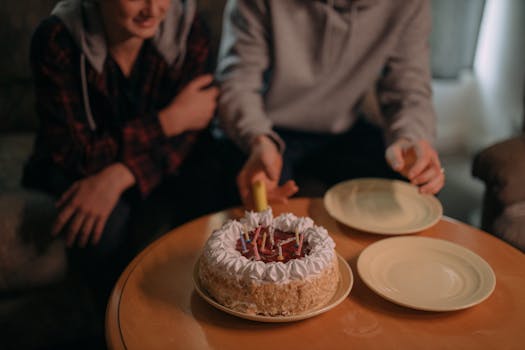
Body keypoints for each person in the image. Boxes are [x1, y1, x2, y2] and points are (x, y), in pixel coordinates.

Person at [22, 0, 217, 301]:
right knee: (102, 226)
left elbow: (194, 131)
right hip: (75, 168)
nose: (153, 10)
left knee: (213, 176)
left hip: (151, 164)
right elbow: (79, 153)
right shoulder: (57, 39)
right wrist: (168, 121)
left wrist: (122, 174)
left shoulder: (187, 27)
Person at [215, 0, 445, 209]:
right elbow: (238, 82)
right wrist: (258, 138)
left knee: (412, 193)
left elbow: (409, 90)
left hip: (342, 128)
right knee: (253, 200)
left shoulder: (408, 5)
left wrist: (410, 138)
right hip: (266, 130)